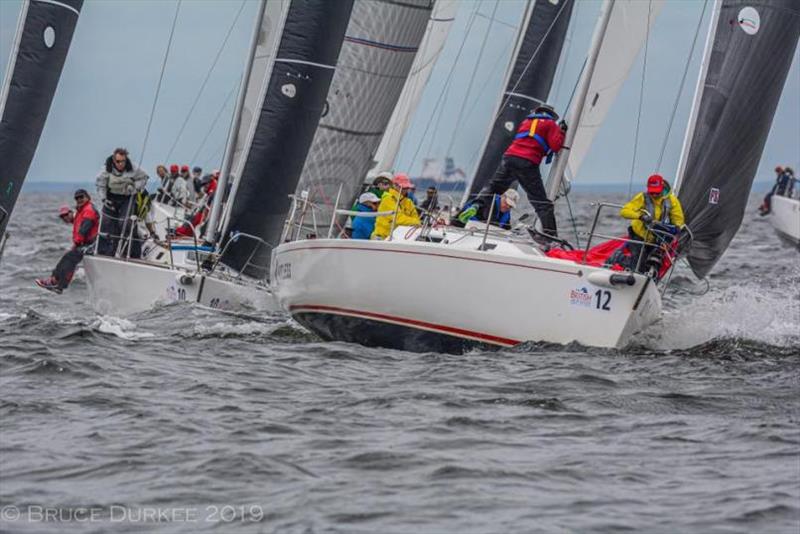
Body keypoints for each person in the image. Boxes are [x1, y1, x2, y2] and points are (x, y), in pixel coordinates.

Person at [460, 104, 566, 238]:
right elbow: (556, 146)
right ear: (551, 115)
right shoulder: (551, 124)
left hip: (509, 158)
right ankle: (551, 238)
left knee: (493, 190)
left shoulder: (527, 121)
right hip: (527, 162)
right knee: (541, 203)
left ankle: (475, 205)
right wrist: (561, 132)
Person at [35, 189, 99, 293]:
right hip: (87, 243)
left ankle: (56, 282)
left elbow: (85, 228)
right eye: (77, 198)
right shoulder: (81, 211)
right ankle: (58, 284)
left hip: (92, 243)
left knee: (70, 257)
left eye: (81, 197)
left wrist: (78, 242)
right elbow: (78, 224)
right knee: (68, 257)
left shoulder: (88, 210)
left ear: (87, 197)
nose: (79, 199)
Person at [618, 174, 685, 272]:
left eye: (656, 192)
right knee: (638, 265)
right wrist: (640, 216)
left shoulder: (672, 201)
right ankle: (619, 258)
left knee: (653, 263)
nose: (654, 195)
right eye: (652, 192)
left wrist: (676, 229)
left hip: (657, 239)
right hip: (638, 236)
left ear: (662, 188)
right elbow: (624, 211)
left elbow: (678, 220)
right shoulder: (642, 197)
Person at [96, 147, 149, 256]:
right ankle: (105, 252)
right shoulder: (106, 169)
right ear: (114, 160)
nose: (121, 164)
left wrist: (135, 187)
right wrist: (103, 198)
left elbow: (144, 178)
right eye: (118, 161)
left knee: (125, 223)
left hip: (127, 198)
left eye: (123, 161)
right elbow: (100, 185)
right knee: (106, 223)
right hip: (110, 198)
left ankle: (132, 253)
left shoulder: (133, 168)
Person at [372, 174, 421, 239]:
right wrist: (416, 222)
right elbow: (398, 218)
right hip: (382, 237)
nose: (405, 190)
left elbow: (416, 218)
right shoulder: (387, 199)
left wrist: (416, 222)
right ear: (394, 186)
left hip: (398, 237)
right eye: (403, 187)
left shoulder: (409, 202)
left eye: (407, 188)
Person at [128, 190, 160, 259]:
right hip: (128, 224)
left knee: (148, 240)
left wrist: (153, 233)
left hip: (138, 227)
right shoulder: (133, 197)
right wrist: (143, 233)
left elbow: (148, 219)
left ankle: (138, 257)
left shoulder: (147, 201)